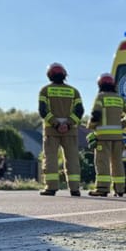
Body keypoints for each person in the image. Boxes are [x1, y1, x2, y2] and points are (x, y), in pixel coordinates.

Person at [86, 72, 126, 197]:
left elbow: (95, 115)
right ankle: (120, 189)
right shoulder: (119, 99)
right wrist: (121, 125)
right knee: (117, 163)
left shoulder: (100, 97)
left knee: (102, 162)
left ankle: (102, 188)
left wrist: (90, 126)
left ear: (100, 85)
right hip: (118, 138)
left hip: (103, 138)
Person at [38, 62, 84, 196]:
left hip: (51, 131)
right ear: (64, 75)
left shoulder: (45, 90)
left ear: (49, 75)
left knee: (50, 158)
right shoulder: (74, 91)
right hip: (70, 131)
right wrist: (68, 124)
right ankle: (75, 188)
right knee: (72, 159)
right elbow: (79, 111)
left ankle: (51, 187)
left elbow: (43, 111)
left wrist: (56, 124)